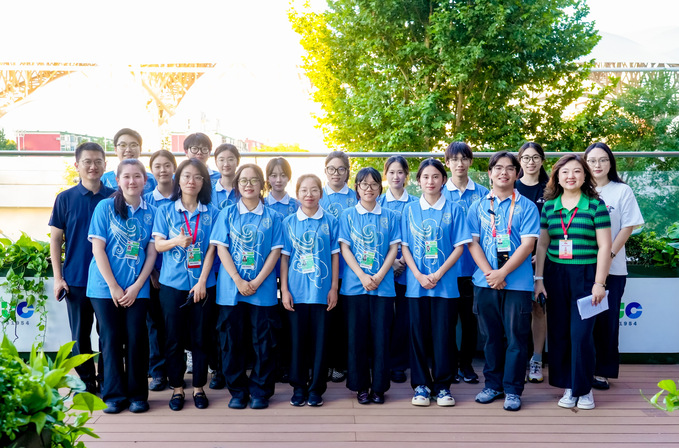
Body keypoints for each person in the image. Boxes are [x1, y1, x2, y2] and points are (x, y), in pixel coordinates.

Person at [534, 154, 612, 410]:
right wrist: (539, 279)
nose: (571, 176)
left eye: (577, 171)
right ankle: (568, 385)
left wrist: (599, 282)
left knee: (581, 335)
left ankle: (584, 388)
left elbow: (605, 246)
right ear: (556, 177)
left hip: (587, 276)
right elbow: (542, 245)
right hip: (556, 275)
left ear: (585, 175)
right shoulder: (549, 207)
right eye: (565, 172)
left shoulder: (595, 206)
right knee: (560, 333)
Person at [467, 152, 540, 412]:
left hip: (517, 284)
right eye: (498, 168)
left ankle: (512, 389)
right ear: (490, 173)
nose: (504, 173)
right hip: (485, 282)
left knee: (517, 339)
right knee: (491, 338)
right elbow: (472, 243)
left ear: (517, 174)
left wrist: (503, 273)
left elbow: (528, 245)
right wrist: (491, 273)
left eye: (510, 168)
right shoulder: (477, 206)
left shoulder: (527, 207)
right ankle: (493, 385)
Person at [210, 164, 284, 410]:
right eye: (243, 180)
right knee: (231, 341)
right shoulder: (227, 213)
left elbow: (275, 251)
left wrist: (257, 281)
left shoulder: (273, 217)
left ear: (262, 184)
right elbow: (221, 248)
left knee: (264, 341)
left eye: (254, 180)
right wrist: (238, 280)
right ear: (237, 185)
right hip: (230, 289)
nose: (248, 185)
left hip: (262, 289)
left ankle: (261, 391)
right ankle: (238, 391)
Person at [87, 159, 158, 414]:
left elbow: (151, 253)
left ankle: (138, 395)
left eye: (137, 176)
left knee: (137, 338)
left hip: (138, 288)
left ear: (145, 181)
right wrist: (114, 287)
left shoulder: (152, 212)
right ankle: (114, 395)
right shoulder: (105, 207)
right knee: (111, 338)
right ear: (117, 181)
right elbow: (98, 249)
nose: (132, 181)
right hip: (104, 288)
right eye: (126, 176)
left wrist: (137, 286)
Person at [401, 158, 472, 407]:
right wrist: (419, 276)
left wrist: (438, 274)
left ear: (443, 179)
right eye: (425, 177)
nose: (430, 181)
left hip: (446, 285)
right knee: (418, 336)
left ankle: (443, 386)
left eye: (435, 176)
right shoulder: (409, 210)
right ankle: (421, 385)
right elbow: (405, 247)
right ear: (418, 181)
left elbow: (459, 246)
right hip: (416, 285)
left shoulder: (455, 209)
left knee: (444, 336)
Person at [49, 142, 116, 395]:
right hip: (76, 278)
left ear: (105, 165)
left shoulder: (114, 197)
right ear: (77, 165)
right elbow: (56, 240)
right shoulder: (65, 198)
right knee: (80, 335)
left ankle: (107, 380)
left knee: (109, 333)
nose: (93, 166)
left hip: (108, 279)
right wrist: (58, 278)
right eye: (87, 161)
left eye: (98, 161)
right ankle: (87, 382)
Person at [152, 159, 219, 411]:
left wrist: (202, 281)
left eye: (198, 177)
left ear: (204, 182)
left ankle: (199, 387)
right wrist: (176, 241)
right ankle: (177, 388)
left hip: (203, 285)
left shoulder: (212, 213)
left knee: (201, 337)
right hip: (172, 285)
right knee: (173, 339)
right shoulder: (165, 211)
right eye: (187, 176)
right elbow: (158, 245)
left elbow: (212, 249)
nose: (192, 181)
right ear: (178, 180)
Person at [585, 142, 644, 390]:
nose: (597, 165)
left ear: (611, 163)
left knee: (607, 322)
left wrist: (608, 255)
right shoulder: (578, 189)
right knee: (583, 322)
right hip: (581, 267)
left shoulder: (621, 190)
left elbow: (628, 226)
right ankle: (582, 367)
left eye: (603, 160)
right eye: (591, 160)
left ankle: (602, 371)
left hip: (613, 268)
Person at [339, 167, 400, 404]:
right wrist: (363, 276)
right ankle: (360, 386)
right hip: (354, 287)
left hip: (383, 287)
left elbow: (393, 248)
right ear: (356, 187)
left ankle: (379, 387)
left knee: (381, 338)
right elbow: (345, 248)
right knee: (357, 338)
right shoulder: (347, 215)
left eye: (374, 184)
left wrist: (380, 275)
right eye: (364, 184)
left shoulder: (390, 216)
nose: (369, 188)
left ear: (379, 188)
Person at [280, 174, 340, 407]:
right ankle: (298, 387)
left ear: (321, 194)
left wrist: (334, 287)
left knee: (321, 343)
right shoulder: (288, 222)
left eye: (314, 190)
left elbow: (335, 257)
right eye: (304, 190)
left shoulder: (331, 221)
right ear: (297, 194)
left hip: (322, 292)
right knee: (297, 342)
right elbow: (284, 259)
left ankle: (316, 388)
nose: (309, 194)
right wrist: (284, 290)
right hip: (296, 292)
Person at [442, 141, 489, 383]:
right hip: (447, 269)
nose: (459, 163)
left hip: (475, 269)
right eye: (454, 159)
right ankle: (449, 365)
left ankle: (466, 365)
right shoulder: (439, 192)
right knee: (447, 321)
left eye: (464, 158)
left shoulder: (483, 193)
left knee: (470, 321)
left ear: (470, 161)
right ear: (447, 163)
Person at [377, 155, 418, 384]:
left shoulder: (416, 203)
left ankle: (399, 365)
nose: (396, 176)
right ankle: (381, 361)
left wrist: (403, 260)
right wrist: (391, 260)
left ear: (406, 175)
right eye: (391, 172)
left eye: (400, 172)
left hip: (409, 267)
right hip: (383, 267)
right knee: (383, 318)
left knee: (404, 318)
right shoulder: (377, 202)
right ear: (385, 175)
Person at [319, 151, 356, 383]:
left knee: (345, 321)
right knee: (326, 319)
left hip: (351, 271)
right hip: (323, 270)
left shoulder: (356, 196)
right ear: (325, 171)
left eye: (341, 169)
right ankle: (324, 363)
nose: (336, 173)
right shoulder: (317, 195)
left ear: (347, 172)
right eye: (331, 169)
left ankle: (341, 364)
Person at [515, 142, 549, 383]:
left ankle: (536, 359)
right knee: (516, 311)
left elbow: (555, 225)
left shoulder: (551, 189)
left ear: (542, 160)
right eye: (526, 157)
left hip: (542, 260)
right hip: (514, 261)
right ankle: (517, 360)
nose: (531, 162)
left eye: (535, 157)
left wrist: (541, 253)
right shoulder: (511, 187)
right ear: (520, 161)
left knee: (539, 307)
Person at [143, 150, 177, 392]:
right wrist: (153, 273)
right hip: (153, 274)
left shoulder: (184, 196)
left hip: (180, 275)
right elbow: (145, 240)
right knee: (154, 324)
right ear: (151, 170)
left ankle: (177, 370)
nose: (163, 170)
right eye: (157, 166)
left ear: (174, 168)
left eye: (167, 165)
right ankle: (158, 372)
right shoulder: (146, 201)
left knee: (176, 326)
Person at [265, 157, 300, 383]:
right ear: (267, 178)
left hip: (292, 272)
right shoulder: (261, 204)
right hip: (266, 273)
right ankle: (272, 365)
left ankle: (288, 365)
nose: (278, 180)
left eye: (283, 175)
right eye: (273, 175)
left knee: (288, 319)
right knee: (270, 320)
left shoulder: (296, 205)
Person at [101, 128, 157, 194]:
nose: (128, 150)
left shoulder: (152, 180)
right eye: (123, 145)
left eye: (133, 145)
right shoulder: (104, 179)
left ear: (140, 149)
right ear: (115, 149)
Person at [211, 143, 240, 210]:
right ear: (216, 162)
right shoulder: (210, 193)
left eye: (230, 159)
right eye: (221, 160)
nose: (226, 164)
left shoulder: (245, 190)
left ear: (237, 162)